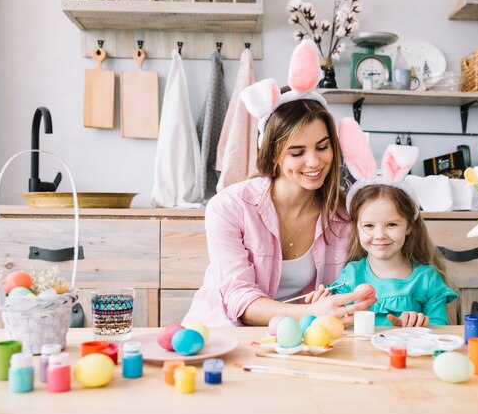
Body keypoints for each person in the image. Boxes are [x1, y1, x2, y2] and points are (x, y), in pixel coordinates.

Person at [182, 40, 376, 327]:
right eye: (297, 152)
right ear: (272, 155)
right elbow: (239, 299)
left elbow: (361, 281)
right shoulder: (229, 208)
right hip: (223, 333)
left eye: (322, 147)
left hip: (302, 338)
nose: (314, 162)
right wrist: (313, 313)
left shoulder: (345, 216)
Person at [305, 122, 458, 327]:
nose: (380, 235)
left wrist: (422, 324)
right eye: (369, 226)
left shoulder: (427, 279)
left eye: (391, 225)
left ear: (409, 226)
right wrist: (319, 308)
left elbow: (441, 330)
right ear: (357, 228)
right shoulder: (351, 276)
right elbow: (334, 325)